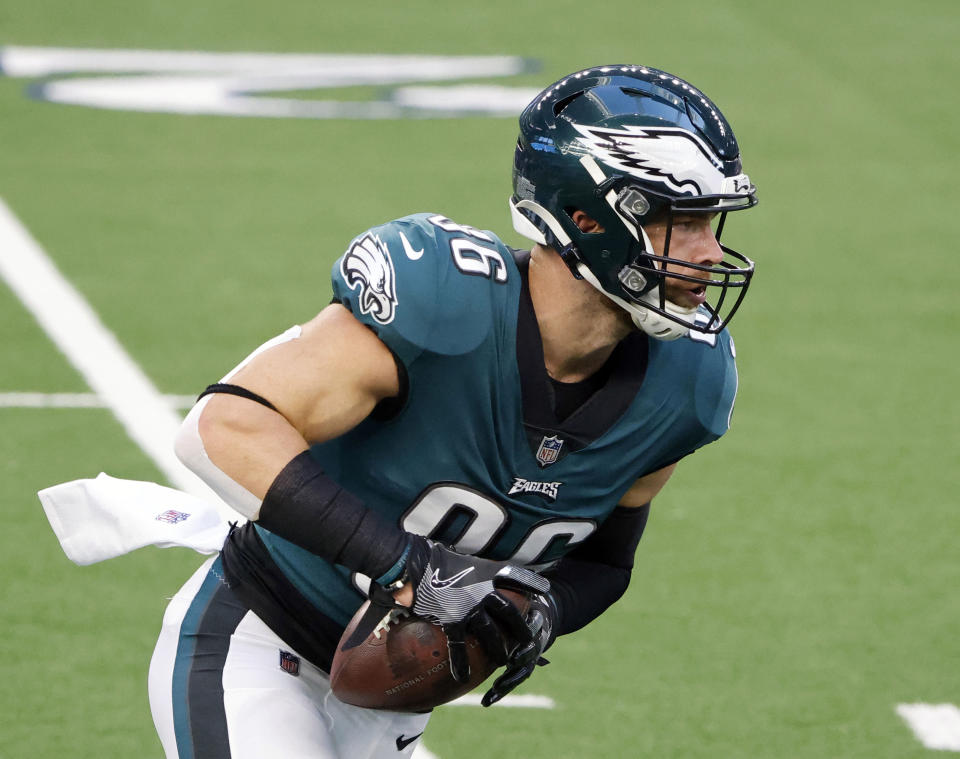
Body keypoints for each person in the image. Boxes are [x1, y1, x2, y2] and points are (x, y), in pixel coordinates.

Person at [148, 63, 758, 758]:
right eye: (681, 221)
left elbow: (607, 564)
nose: (710, 253)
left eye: (711, 221)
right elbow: (221, 427)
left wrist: (542, 610)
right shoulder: (446, 306)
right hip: (260, 638)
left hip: (392, 704)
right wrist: (410, 567)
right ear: (585, 217)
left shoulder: (689, 382)